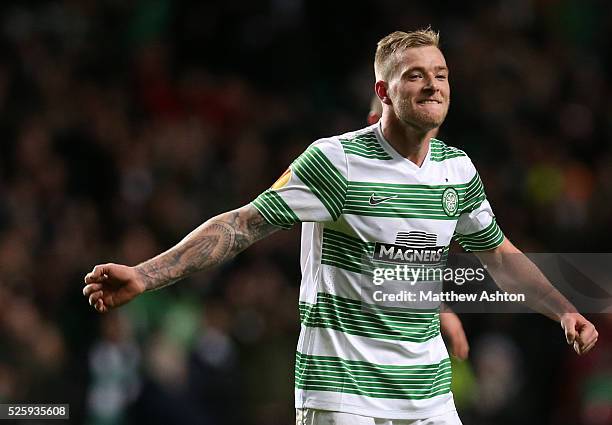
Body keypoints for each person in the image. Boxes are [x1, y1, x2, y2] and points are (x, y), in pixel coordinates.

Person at [83, 29, 598, 425]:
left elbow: (499, 257)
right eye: (415, 74)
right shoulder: (337, 162)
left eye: (440, 73)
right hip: (341, 391)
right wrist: (147, 275)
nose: (433, 83)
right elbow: (241, 226)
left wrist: (564, 311)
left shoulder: (457, 170)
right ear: (384, 91)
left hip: (426, 393)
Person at [368, 94, 470, 362]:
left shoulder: (434, 180)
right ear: (375, 121)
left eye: (430, 130)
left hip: (411, 363)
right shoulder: (348, 172)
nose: (423, 140)